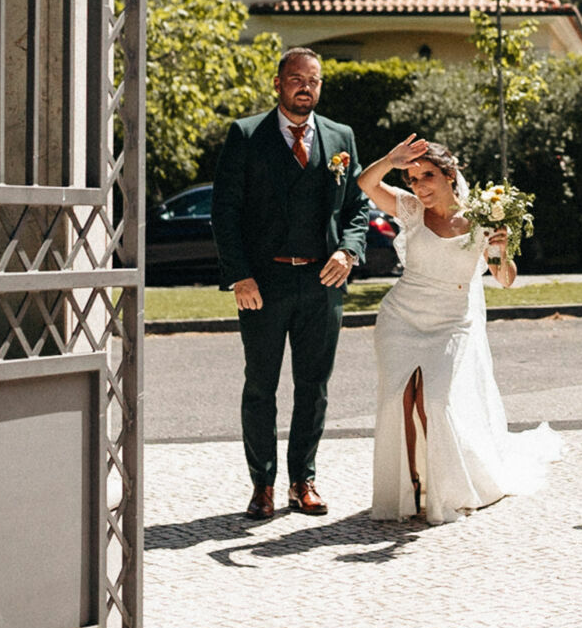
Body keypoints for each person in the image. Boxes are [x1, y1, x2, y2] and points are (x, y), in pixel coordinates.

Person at [357, 135, 561, 523]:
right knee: (396, 399)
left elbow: (504, 279)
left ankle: (442, 488)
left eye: (428, 176)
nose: (420, 186)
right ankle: (411, 486)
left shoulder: (484, 219)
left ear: (450, 176)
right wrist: (391, 158)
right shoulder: (411, 209)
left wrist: (499, 248)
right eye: (414, 178)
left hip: (451, 324)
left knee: (433, 401)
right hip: (401, 318)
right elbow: (366, 185)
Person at [212, 47, 370, 520]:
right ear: (278, 82)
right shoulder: (246, 135)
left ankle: (304, 481)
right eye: (297, 78)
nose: (307, 87)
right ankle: (262, 484)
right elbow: (225, 211)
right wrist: (239, 274)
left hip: (323, 283)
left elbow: (358, 208)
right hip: (263, 282)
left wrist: (349, 249)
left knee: (313, 386)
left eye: (315, 80)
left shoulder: (341, 136)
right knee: (260, 385)